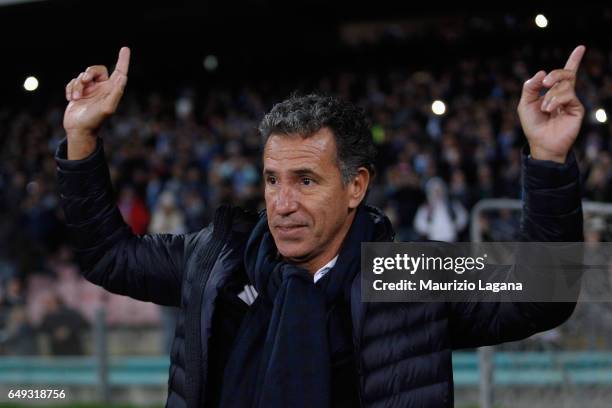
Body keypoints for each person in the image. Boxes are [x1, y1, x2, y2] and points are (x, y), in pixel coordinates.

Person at [56, 46, 585, 407]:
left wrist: (547, 158)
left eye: (306, 181)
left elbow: (541, 294)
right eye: (271, 180)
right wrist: (80, 141)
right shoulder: (215, 258)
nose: (282, 204)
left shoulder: (409, 274)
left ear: (356, 187)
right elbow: (109, 256)